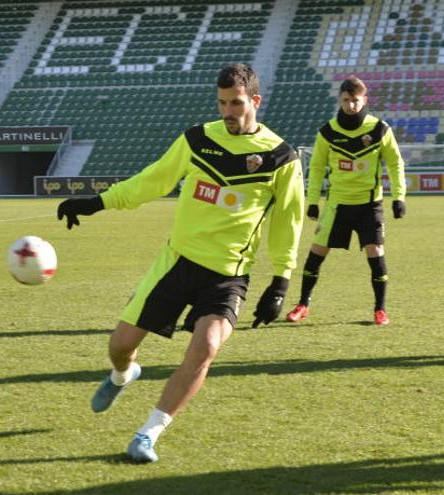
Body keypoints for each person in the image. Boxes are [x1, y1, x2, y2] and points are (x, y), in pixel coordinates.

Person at [56, 63, 304, 463]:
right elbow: (152, 180)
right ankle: (123, 375)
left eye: (236, 103)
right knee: (120, 346)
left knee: (205, 347)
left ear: (255, 101)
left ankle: (149, 433)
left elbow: (288, 221)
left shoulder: (281, 157)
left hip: (228, 275)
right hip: (178, 262)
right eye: (222, 102)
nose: (228, 111)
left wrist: (281, 281)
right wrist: (96, 202)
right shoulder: (197, 140)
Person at [285, 76, 405, 326]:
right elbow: (316, 167)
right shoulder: (328, 132)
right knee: (317, 251)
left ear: (365, 100)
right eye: (346, 100)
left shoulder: (379, 129)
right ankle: (302, 304)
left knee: (376, 251)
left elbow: (395, 164)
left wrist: (398, 197)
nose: (351, 105)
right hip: (337, 205)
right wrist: (314, 200)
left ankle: (380, 309)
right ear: (340, 100)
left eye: (355, 100)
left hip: (369, 205)